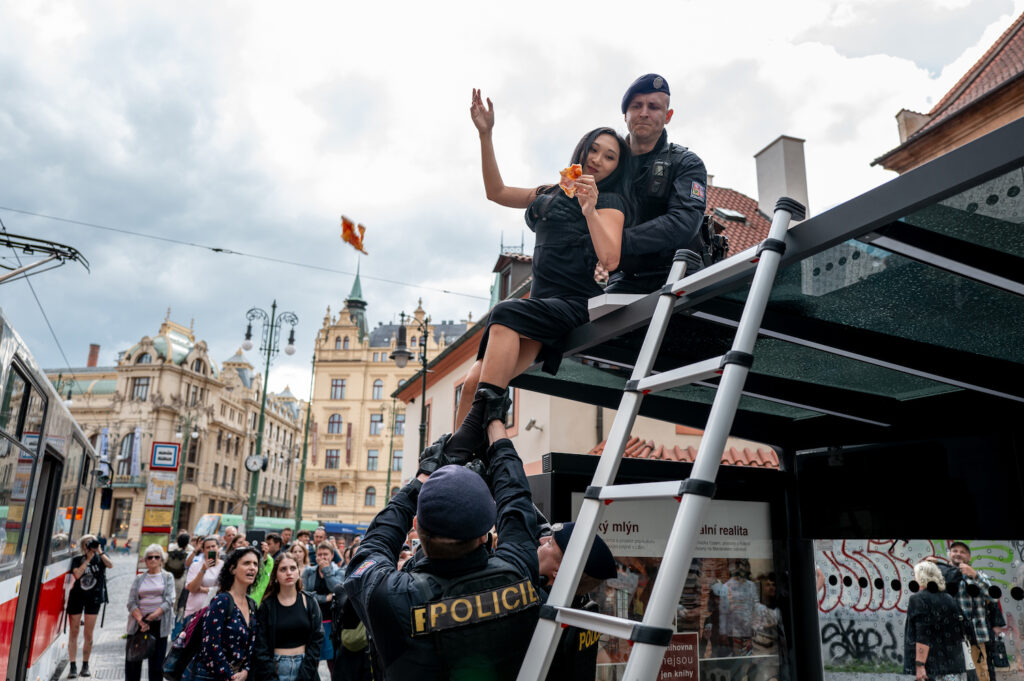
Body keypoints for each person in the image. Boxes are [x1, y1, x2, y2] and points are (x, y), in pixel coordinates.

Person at [448, 88, 633, 461]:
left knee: (502, 312)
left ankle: (466, 443)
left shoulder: (611, 202)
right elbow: (496, 191)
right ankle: (462, 465)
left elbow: (610, 258)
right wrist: (486, 135)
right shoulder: (552, 189)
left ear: (617, 167)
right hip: (537, 310)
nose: (598, 159)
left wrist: (590, 209)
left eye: (610, 156)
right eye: (594, 149)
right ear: (581, 150)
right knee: (470, 384)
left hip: (571, 305)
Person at [344, 395, 540, 680]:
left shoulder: (391, 598)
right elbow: (516, 499)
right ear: (485, 535)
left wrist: (422, 477)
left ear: (416, 527)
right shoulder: (518, 572)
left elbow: (375, 543)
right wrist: (496, 429)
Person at [604, 73, 709, 294]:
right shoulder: (607, 165)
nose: (644, 113)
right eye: (636, 106)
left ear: (668, 115)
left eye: (653, 107)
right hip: (624, 280)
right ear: (625, 115)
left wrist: (615, 242)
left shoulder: (686, 163)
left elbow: (683, 223)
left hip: (679, 278)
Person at [535, 521, 618, 680]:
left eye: (550, 543)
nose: (541, 541)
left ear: (558, 571)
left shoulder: (537, 610)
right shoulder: (580, 605)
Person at [189, 547, 260, 681]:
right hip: (211, 676)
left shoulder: (252, 604)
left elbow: (252, 643)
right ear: (233, 569)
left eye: (255, 564)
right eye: (246, 563)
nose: (252, 568)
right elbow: (210, 646)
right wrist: (229, 676)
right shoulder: (222, 601)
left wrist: (246, 670)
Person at [930, 542, 996, 681]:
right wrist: (928, 568)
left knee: (980, 675)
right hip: (948, 638)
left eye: (963, 552)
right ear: (949, 555)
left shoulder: (980, 575)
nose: (958, 553)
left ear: (969, 557)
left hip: (975, 638)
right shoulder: (939, 575)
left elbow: (993, 596)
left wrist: (974, 575)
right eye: (954, 550)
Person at [253, 554, 323, 681]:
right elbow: (260, 645)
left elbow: (317, 639)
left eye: (292, 568)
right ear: (276, 575)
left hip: (305, 665)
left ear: (298, 572)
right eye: (283, 569)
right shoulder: (267, 606)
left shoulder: (309, 601)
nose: (289, 573)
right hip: (276, 667)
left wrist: (305, 673)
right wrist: (270, 676)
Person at [904, 560, 968, 681]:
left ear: (921, 577)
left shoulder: (918, 599)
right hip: (954, 666)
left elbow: (922, 635)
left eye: (915, 575)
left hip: (932, 668)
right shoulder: (949, 598)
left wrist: (920, 666)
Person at [125, 544, 176, 681]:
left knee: (156, 665)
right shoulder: (139, 578)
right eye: (150, 557)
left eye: (156, 557)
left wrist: (152, 617)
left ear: (161, 560)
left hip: (159, 625)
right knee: (133, 662)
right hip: (138, 625)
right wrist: (141, 620)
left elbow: (169, 600)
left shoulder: (167, 577)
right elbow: (131, 602)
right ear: (146, 561)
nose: (153, 559)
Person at [67, 533, 112, 678]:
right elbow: (77, 575)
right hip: (77, 598)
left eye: (91, 543)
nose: (90, 545)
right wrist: (87, 560)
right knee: (74, 632)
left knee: (89, 634)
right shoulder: (77, 559)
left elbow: (110, 565)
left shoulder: (101, 559)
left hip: (94, 598)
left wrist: (99, 551)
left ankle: (85, 665)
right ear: (82, 546)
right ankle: (73, 666)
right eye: (87, 543)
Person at [302, 542, 344, 674]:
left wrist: (327, 571)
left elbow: (337, 590)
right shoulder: (309, 572)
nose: (322, 557)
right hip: (313, 620)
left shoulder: (339, 571)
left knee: (333, 661)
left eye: (326, 554)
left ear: (332, 555)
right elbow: (306, 593)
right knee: (312, 659)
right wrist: (324, 598)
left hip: (331, 622)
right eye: (319, 554)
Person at [183, 536, 223, 628]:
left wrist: (205, 589)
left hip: (214, 611)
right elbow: (192, 588)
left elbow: (223, 589)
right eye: (208, 547)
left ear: (218, 548)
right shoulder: (196, 565)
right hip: (194, 611)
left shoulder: (224, 566)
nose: (211, 549)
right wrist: (203, 570)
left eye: (213, 546)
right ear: (203, 550)